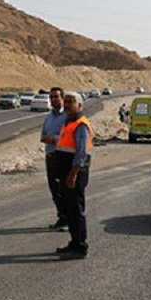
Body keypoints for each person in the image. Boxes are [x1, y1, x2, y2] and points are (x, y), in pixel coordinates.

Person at [54, 92, 93, 259]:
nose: (67, 105)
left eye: (71, 102)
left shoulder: (81, 126)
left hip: (74, 175)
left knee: (76, 210)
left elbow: (81, 154)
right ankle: (74, 241)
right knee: (70, 210)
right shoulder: (67, 123)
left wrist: (72, 174)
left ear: (79, 106)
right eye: (66, 101)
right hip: (66, 175)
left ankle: (80, 246)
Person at [40, 87, 68, 230]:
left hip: (62, 157)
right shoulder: (49, 117)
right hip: (50, 156)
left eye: (56, 97)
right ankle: (61, 217)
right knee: (54, 189)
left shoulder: (67, 117)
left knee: (63, 189)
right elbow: (43, 134)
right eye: (51, 97)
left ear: (62, 98)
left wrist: (55, 139)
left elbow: (70, 137)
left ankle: (68, 219)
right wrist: (46, 139)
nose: (53, 100)